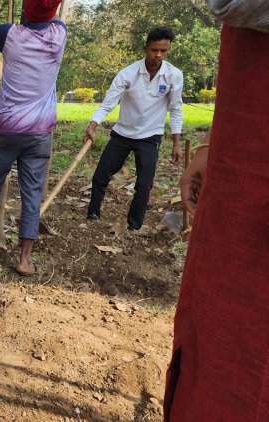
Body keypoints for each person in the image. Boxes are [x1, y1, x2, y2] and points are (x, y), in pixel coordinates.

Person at [164, 2, 269, 419]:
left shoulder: (173, 76)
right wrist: (218, 143)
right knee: (219, 345)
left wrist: (178, 139)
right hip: (246, 154)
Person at [0, 0, 66, 276]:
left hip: (6, 129)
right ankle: (25, 259)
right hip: (39, 133)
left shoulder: (11, 35)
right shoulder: (59, 36)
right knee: (32, 194)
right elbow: (53, 16)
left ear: (25, 9)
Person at [84, 26, 184, 230]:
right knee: (101, 175)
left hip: (150, 136)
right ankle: (93, 214)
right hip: (122, 134)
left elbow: (175, 109)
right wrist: (92, 126)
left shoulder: (174, 75)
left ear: (168, 50)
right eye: (154, 50)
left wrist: (176, 143)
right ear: (145, 48)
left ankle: (134, 226)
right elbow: (107, 104)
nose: (158, 55)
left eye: (164, 51)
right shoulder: (128, 73)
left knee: (144, 184)